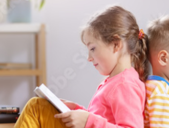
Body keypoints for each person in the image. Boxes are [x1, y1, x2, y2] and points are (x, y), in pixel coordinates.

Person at [13, 5, 151, 128]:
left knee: (36, 107)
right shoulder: (116, 80)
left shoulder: (125, 84)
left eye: (92, 48)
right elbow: (103, 118)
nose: (89, 58)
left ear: (116, 44)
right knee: (39, 106)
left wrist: (88, 120)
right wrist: (79, 111)